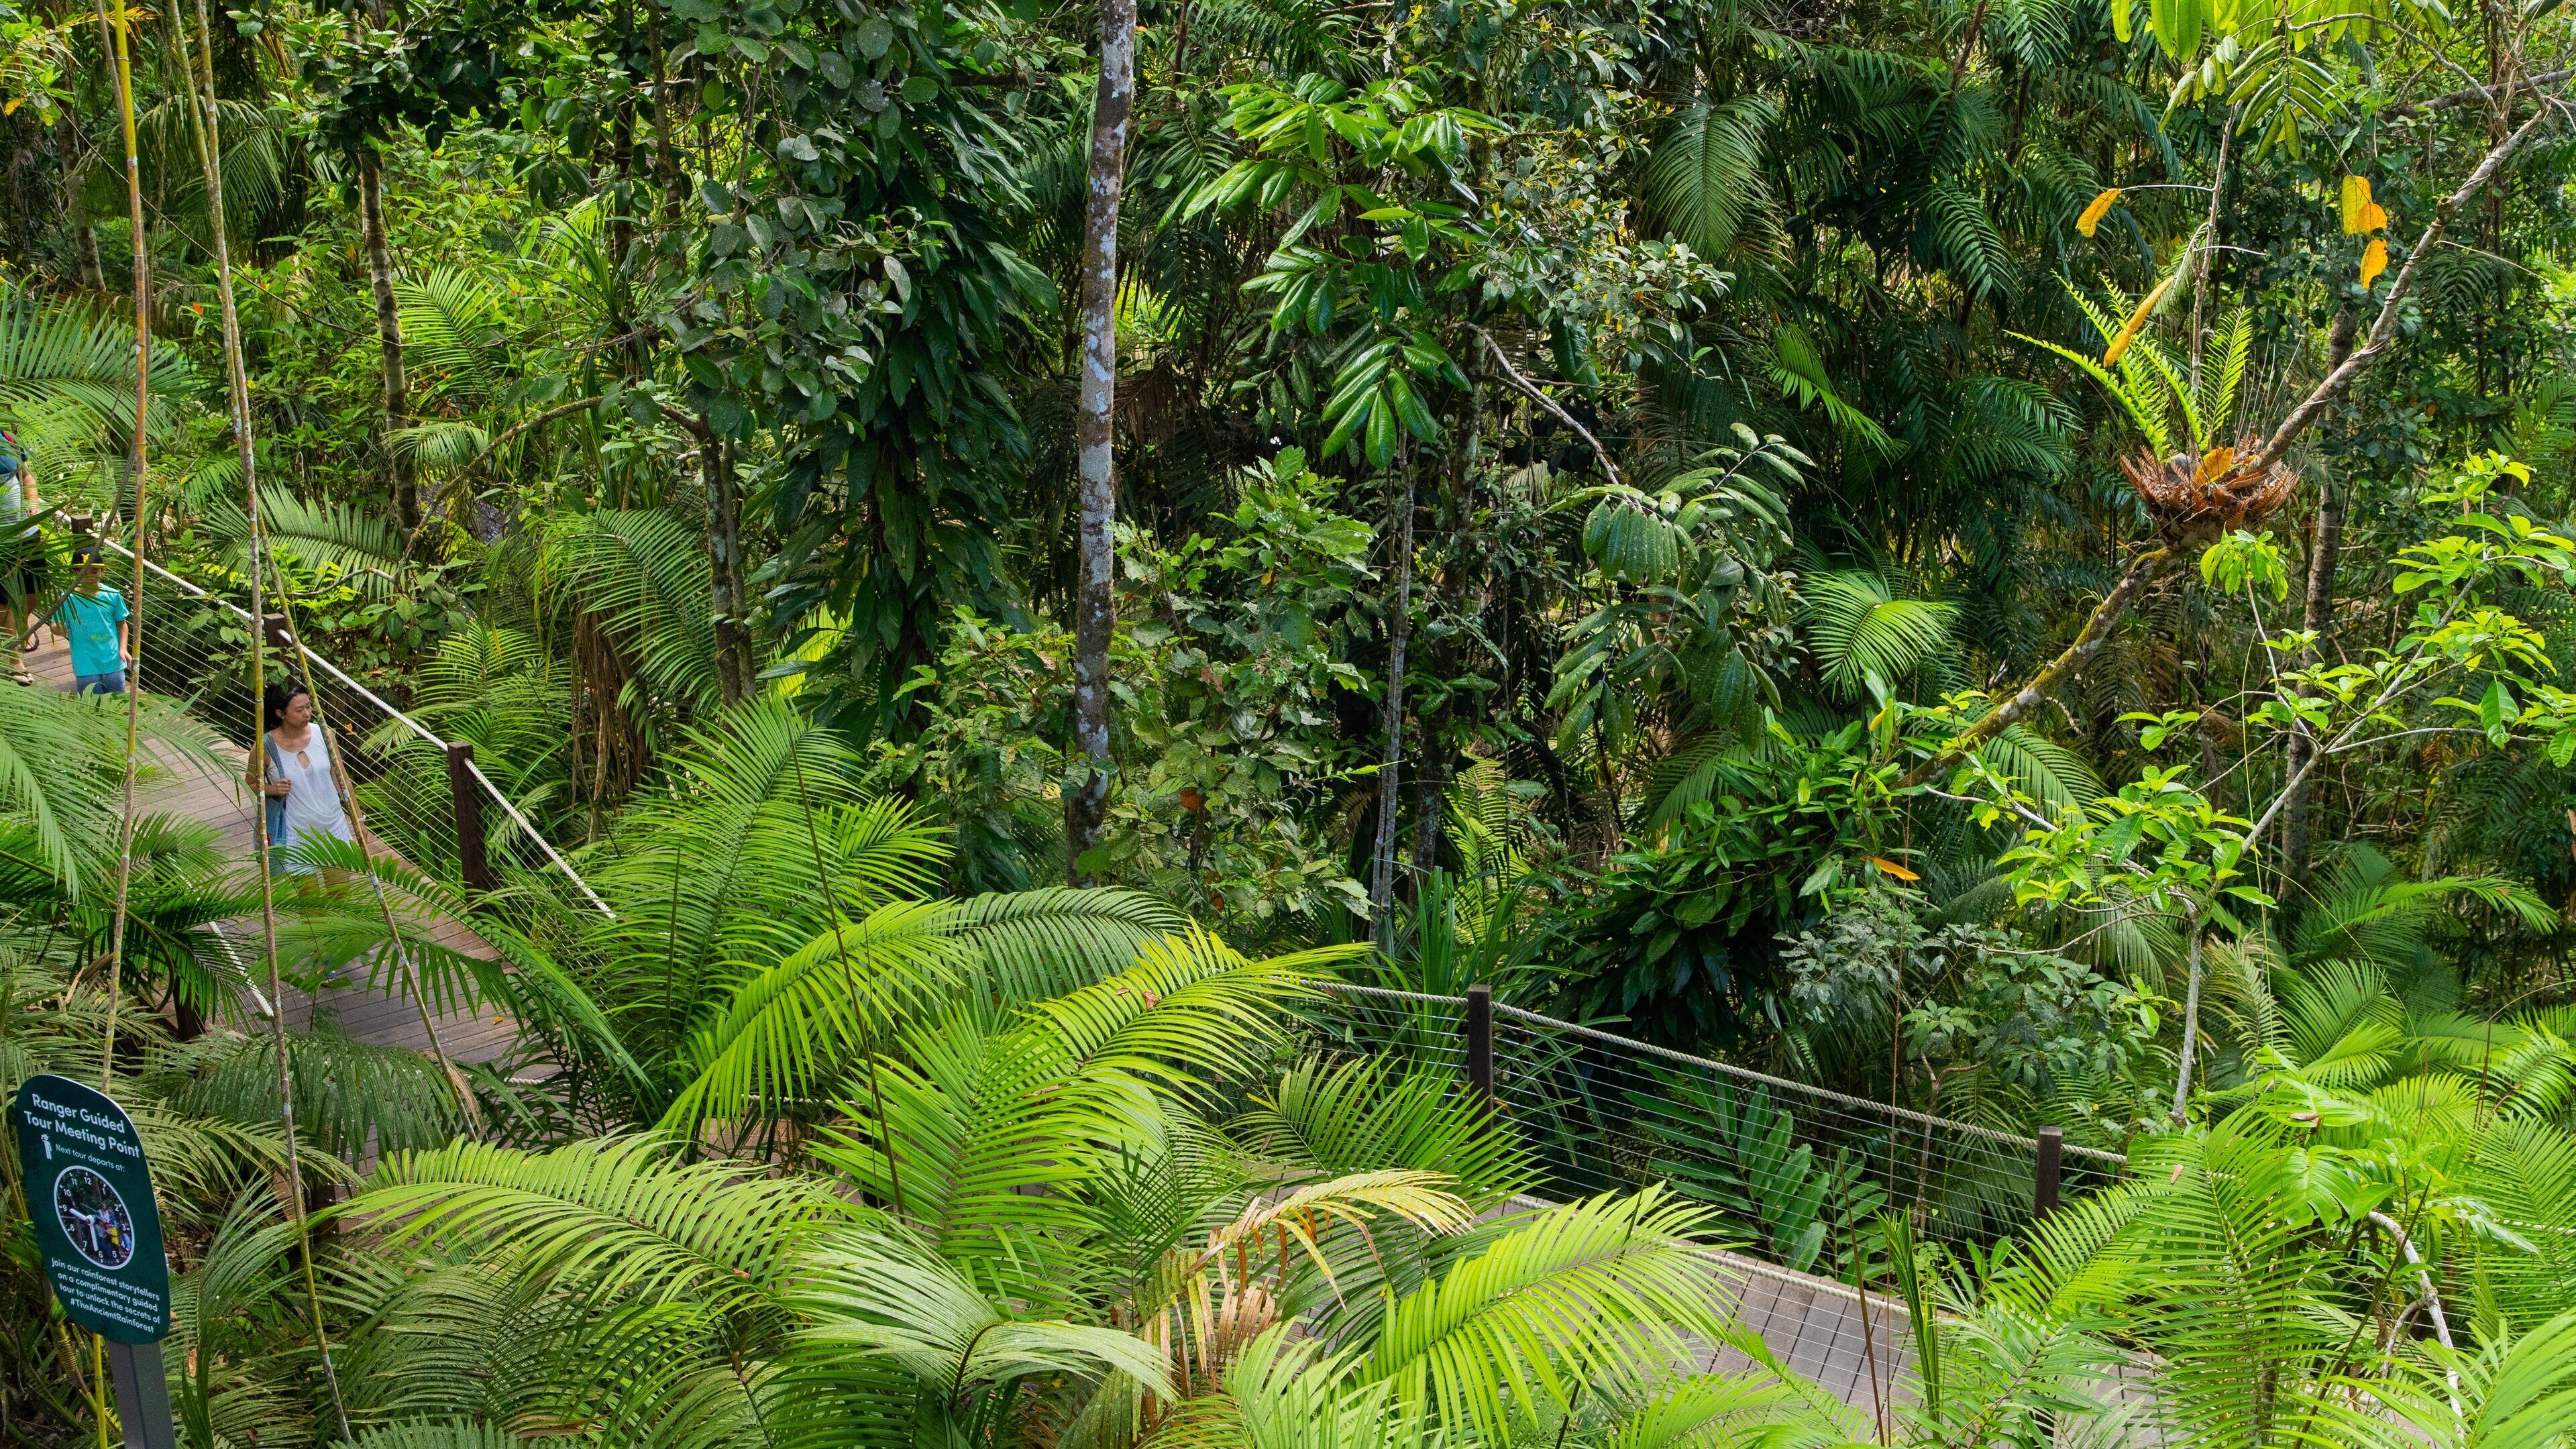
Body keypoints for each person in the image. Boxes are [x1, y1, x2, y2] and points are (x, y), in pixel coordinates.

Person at [252, 681, 355, 873]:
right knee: (310, 901)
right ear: (280, 714)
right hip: (296, 833)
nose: (307, 713)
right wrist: (273, 789)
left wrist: (358, 818)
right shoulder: (265, 747)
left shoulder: (325, 734)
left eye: (308, 706)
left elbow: (342, 778)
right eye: (299, 710)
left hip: (334, 826)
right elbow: (251, 782)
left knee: (341, 895)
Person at [48, 547, 130, 696]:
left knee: (119, 703)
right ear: (75, 572)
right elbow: (55, 625)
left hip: (113, 661)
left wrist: (123, 649)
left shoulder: (113, 595)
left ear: (102, 571)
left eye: (94, 572)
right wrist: (56, 628)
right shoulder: (67, 598)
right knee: (91, 705)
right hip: (85, 663)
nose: (89, 577)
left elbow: (122, 624)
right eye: (82, 572)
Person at [1, 431, 40, 686]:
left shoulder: (6, 437)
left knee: (31, 593)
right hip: (2, 542)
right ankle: (14, 658)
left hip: (26, 532)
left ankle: (18, 631)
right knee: (4, 602)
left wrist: (33, 503)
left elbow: (27, 477)